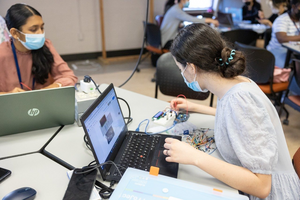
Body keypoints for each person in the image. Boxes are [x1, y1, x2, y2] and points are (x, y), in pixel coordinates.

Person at [163, 23, 300, 199]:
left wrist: (194, 156)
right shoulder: (235, 83)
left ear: (191, 67)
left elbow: (262, 186)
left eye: (180, 69)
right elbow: (238, 119)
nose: (182, 74)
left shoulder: (240, 101)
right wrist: (197, 107)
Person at [0, 4, 77, 94]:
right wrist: (8, 94)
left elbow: (69, 76)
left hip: (43, 102)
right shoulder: (2, 53)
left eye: (42, 28)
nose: (40, 33)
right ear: (15, 33)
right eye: (33, 29)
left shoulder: (46, 46)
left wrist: (55, 86)